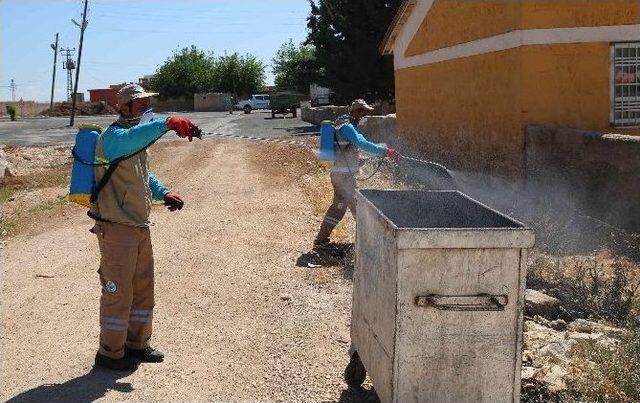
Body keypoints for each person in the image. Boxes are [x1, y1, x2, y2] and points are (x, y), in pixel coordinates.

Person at [90, 84, 198, 371]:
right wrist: (166, 123)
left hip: (138, 224)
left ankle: (137, 345)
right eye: (140, 106)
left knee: (142, 288)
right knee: (118, 291)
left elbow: (142, 173)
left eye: (148, 106)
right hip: (116, 227)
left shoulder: (134, 139)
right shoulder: (112, 138)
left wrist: (163, 193)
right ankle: (110, 352)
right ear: (123, 108)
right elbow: (129, 141)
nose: (145, 111)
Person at [314, 99, 400, 248]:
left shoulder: (345, 126)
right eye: (361, 111)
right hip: (343, 177)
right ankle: (369, 244)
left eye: (365, 111)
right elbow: (362, 143)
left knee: (338, 209)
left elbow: (346, 151)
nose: (364, 114)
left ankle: (321, 240)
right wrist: (385, 151)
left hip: (341, 175)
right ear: (354, 112)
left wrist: (357, 162)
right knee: (360, 209)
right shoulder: (348, 128)